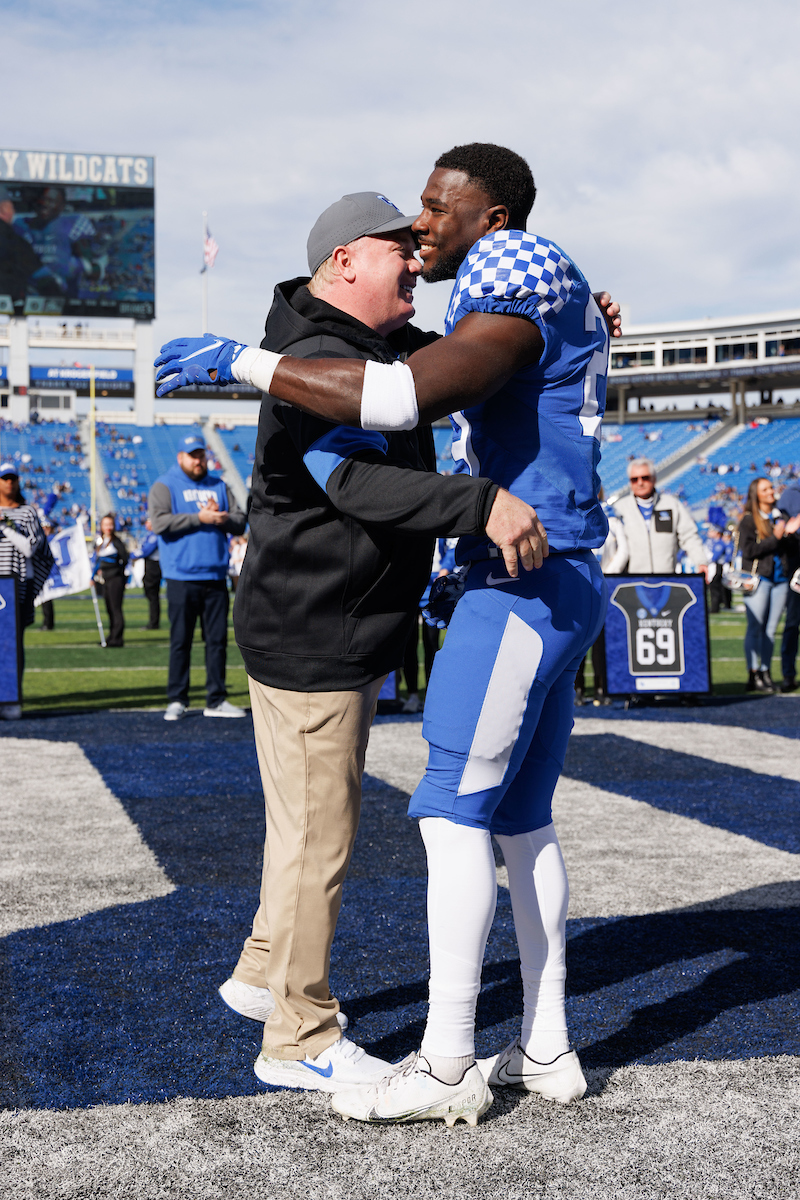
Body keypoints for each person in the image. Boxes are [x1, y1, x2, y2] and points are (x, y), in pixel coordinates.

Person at [155, 143, 621, 1124]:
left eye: (431, 219)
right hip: (347, 615)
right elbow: (356, 470)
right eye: (399, 237)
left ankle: (434, 1050)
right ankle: (307, 1032)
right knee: (338, 826)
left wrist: (240, 360)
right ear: (342, 262)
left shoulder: (380, 334)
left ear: (495, 223)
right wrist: (479, 499)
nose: (418, 244)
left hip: (495, 586)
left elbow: (417, 384)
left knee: (406, 819)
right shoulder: (320, 352)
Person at [147, 434, 246, 720]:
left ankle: (216, 699)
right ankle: (177, 698)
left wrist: (221, 517)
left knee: (217, 642)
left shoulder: (219, 485)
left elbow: (240, 522)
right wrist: (199, 518)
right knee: (181, 641)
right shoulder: (165, 485)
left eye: (201, 455)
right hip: (181, 576)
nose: (198, 460)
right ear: (180, 457)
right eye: (192, 455)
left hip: (215, 576)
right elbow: (159, 523)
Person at [0, 461, 53, 719]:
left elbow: (32, 548)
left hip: (15, 587)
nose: (9, 483)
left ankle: (11, 697)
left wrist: (5, 526)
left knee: (12, 644)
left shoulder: (27, 512)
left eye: (13, 478)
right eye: (4, 478)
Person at [737, 478, 800, 693]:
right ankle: (753, 673)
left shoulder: (779, 516)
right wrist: (776, 537)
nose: (771, 491)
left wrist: (789, 534)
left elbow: (789, 549)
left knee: (770, 630)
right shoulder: (749, 520)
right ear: (756, 495)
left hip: (780, 578)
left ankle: (765, 672)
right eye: (765, 489)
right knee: (755, 627)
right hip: (759, 578)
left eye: (771, 487)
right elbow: (749, 551)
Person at [613, 458, 708, 575]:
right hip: (631, 581)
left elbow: (689, 536)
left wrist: (701, 562)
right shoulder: (619, 509)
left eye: (645, 478)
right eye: (634, 479)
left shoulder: (672, 505)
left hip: (666, 579)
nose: (640, 483)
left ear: (654, 478)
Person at [0, 184, 40, 314]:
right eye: (12, 207)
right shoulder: (14, 242)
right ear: (5, 209)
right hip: (9, 311)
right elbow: (39, 275)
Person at [776, 477, 800, 692]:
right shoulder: (791, 494)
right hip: (796, 565)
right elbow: (782, 532)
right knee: (793, 621)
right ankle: (788, 673)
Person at [93, 514, 128, 648]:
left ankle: (117, 638)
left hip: (115, 579)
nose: (108, 527)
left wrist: (117, 571)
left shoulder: (116, 542)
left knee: (115, 608)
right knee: (109, 609)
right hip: (105, 580)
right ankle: (112, 635)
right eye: (105, 524)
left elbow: (125, 559)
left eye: (110, 524)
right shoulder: (100, 541)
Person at [138, 518, 162, 630]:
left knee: (152, 595)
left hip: (154, 566)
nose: (146, 524)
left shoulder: (155, 535)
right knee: (151, 595)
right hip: (151, 565)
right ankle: (153, 621)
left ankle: (154, 622)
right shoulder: (150, 535)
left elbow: (146, 550)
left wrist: (133, 555)